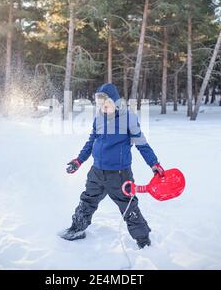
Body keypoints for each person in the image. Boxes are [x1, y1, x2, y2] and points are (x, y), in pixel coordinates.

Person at [60, 83, 164, 249]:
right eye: (99, 103)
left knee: (129, 207)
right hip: (97, 172)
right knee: (87, 200)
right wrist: (79, 161)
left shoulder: (128, 118)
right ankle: (77, 229)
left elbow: (141, 144)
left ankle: (144, 241)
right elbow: (91, 142)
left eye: (105, 102)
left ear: (115, 101)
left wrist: (154, 164)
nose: (102, 106)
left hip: (119, 174)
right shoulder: (99, 118)